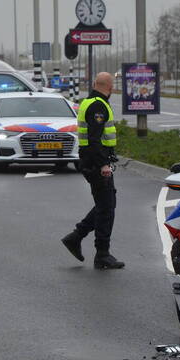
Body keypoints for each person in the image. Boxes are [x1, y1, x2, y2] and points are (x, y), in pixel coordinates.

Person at [61, 71, 124, 269]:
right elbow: (95, 139)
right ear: (110, 87)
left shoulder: (89, 101)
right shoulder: (98, 105)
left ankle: (76, 237)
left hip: (91, 161)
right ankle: (102, 254)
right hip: (96, 164)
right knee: (106, 208)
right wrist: (103, 164)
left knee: (106, 204)